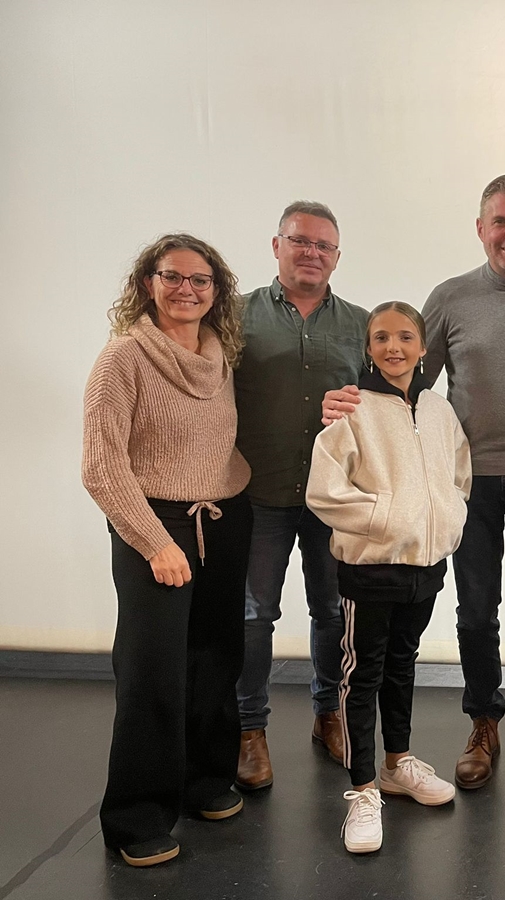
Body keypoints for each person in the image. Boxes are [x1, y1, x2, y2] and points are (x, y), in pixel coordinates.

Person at [322, 175, 505, 801]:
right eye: (500, 222)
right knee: (475, 612)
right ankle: (483, 724)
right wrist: (351, 402)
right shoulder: (450, 297)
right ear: (481, 228)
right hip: (470, 483)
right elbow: (408, 376)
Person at [82, 234, 253, 867]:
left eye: (200, 280)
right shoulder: (123, 358)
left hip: (223, 516)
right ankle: (137, 817)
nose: (187, 289)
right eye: (172, 276)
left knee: (215, 657)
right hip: (154, 523)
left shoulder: (219, 353)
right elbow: (101, 466)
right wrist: (156, 541)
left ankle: (204, 780)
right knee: (152, 668)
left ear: (217, 291)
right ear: (147, 283)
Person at [307, 302, 471, 853]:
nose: (393, 347)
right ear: (368, 346)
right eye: (381, 337)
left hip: (426, 566)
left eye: (404, 337)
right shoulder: (352, 408)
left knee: (402, 664)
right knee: (362, 674)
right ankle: (361, 790)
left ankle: (398, 763)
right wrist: (384, 519)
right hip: (371, 567)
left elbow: (460, 473)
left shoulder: (439, 409)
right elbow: (325, 490)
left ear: (423, 347)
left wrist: (448, 516)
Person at [235, 201, 369, 790]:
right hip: (257, 491)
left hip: (331, 497)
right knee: (253, 614)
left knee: (333, 612)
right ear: (276, 245)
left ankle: (328, 714)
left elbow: (390, 401)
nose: (312, 253)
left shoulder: (362, 324)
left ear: (337, 256)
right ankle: (249, 730)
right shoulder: (234, 316)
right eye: (300, 241)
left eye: (324, 245)